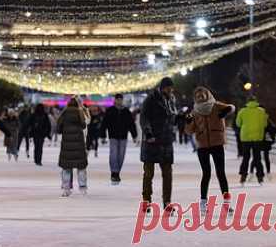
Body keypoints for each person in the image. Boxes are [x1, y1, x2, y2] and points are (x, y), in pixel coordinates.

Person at [185, 87, 235, 215]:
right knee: (206, 173)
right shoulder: (194, 112)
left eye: (203, 95)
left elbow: (231, 107)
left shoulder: (216, 106)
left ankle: (226, 203)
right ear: (195, 98)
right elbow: (189, 131)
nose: (201, 97)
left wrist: (225, 112)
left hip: (217, 143)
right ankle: (203, 203)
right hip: (202, 145)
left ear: (208, 95)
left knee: (220, 173)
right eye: (198, 96)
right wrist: (189, 122)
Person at [140, 77, 177, 213]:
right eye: (168, 88)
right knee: (148, 173)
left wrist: (184, 118)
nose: (170, 90)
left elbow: (173, 118)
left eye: (171, 88)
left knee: (167, 174)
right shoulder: (151, 99)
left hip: (166, 140)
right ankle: (146, 201)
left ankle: (167, 202)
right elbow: (144, 117)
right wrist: (148, 133)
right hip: (152, 140)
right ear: (162, 88)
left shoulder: (171, 100)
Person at [100, 94, 138, 184]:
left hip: (123, 136)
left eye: (121, 99)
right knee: (113, 154)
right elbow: (104, 124)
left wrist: (134, 135)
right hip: (113, 136)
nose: (119, 101)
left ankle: (117, 172)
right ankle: (114, 172)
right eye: (118, 99)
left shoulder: (126, 111)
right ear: (115, 100)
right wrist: (103, 135)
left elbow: (131, 124)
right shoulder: (110, 111)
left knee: (121, 155)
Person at [57, 97, 88, 197]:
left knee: (66, 167)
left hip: (67, 143)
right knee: (81, 166)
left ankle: (66, 188)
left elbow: (58, 128)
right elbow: (83, 125)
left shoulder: (64, 113)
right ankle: (82, 187)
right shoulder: (79, 112)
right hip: (78, 142)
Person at [237, 97, 269, 185]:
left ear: (247, 102)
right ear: (256, 101)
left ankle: (243, 176)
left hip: (245, 137)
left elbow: (238, 123)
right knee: (257, 158)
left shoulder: (242, 111)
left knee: (246, 158)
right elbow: (265, 124)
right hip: (258, 137)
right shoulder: (262, 111)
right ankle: (260, 177)